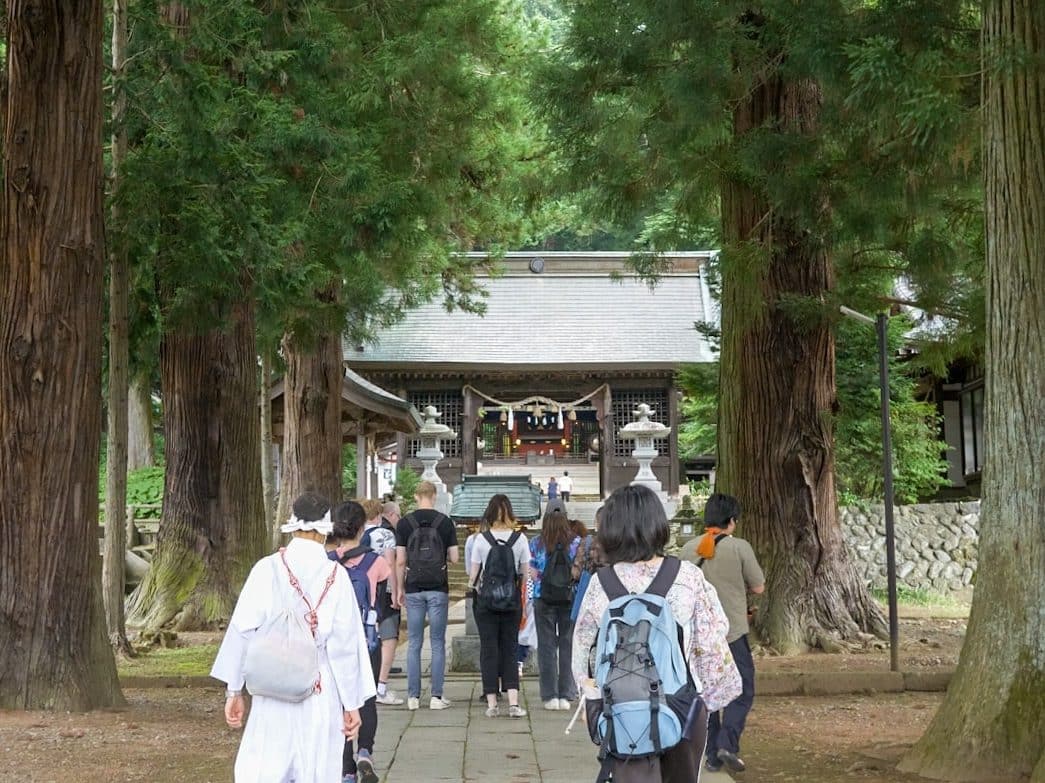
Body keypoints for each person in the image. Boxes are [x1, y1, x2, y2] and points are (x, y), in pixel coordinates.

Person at [572, 485, 742, 783]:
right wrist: (712, 695)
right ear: (657, 524)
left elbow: (582, 647)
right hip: (680, 703)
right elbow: (714, 636)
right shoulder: (687, 578)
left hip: (620, 704)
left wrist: (589, 699)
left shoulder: (602, 583)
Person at [211, 492, 375, 783]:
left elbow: (242, 631)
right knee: (317, 770)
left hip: (272, 685)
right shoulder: (335, 575)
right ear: (326, 527)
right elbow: (345, 646)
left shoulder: (267, 568)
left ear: (293, 525)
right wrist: (352, 704)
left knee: (266, 767)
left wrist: (234, 690)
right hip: (319, 687)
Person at [690, 493, 765, 774]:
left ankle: (711, 754)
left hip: (699, 637)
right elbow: (758, 587)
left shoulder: (688, 549)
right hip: (732, 632)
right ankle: (727, 743)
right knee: (743, 689)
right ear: (732, 521)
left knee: (706, 693)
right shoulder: (740, 548)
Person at [327, 501, 392, 783]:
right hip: (367, 640)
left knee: (340, 703)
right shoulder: (376, 562)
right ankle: (365, 751)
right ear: (363, 528)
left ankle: (346, 770)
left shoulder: (327, 562)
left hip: (334, 642)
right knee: (366, 698)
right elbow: (385, 601)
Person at [395, 480, 459, 710]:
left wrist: (399, 589)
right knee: (438, 643)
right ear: (434, 496)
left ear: (415, 496)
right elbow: (454, 558)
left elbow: (401, 560)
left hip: (413, 588)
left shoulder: (404, 524)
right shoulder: (445, 523)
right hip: (438, 587)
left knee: (414, 643)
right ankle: (436, 696)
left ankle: (412, 697)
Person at [469, 494, 530, 718]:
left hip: (486, 602)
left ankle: (492, 703)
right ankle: (513, 702)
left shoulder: (481, 540)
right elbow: (524, 574)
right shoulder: (520, 540)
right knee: (510, 648)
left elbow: (474, 575)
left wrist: (480, 592)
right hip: (511, 601)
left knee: (489, 650)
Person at [529, 507, 581, 710]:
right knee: (568, 644)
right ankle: (567, 694)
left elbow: (532, 573)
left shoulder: (536, 542)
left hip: (543, 597)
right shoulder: (576, 543)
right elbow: (577, 572)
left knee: (546, 646)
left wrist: (544, 578)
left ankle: (550, 695)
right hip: (569, 597)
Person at [360, 499, 403, 706]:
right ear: (378, 515)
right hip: (382, 591)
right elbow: (391, 564)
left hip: (361, 594)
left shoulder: (356, 535)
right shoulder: (385, 534)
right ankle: (381, 686)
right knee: (388, 638)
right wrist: (396, 592)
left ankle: (364, 685)